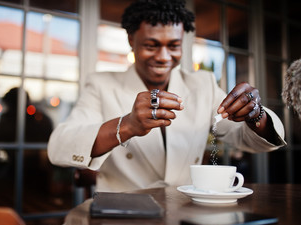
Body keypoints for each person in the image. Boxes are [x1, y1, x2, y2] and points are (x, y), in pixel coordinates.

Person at [48, 0, 286, 192]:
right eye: (151, 45)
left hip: (185, 212)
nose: (163, 57)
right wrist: (128, 125)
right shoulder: (102, 84)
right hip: (122, 216)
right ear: (131, 40)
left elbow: (247, 139)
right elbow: (59, 145)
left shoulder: (202, 84)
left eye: (173, 46)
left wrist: (256, 114)